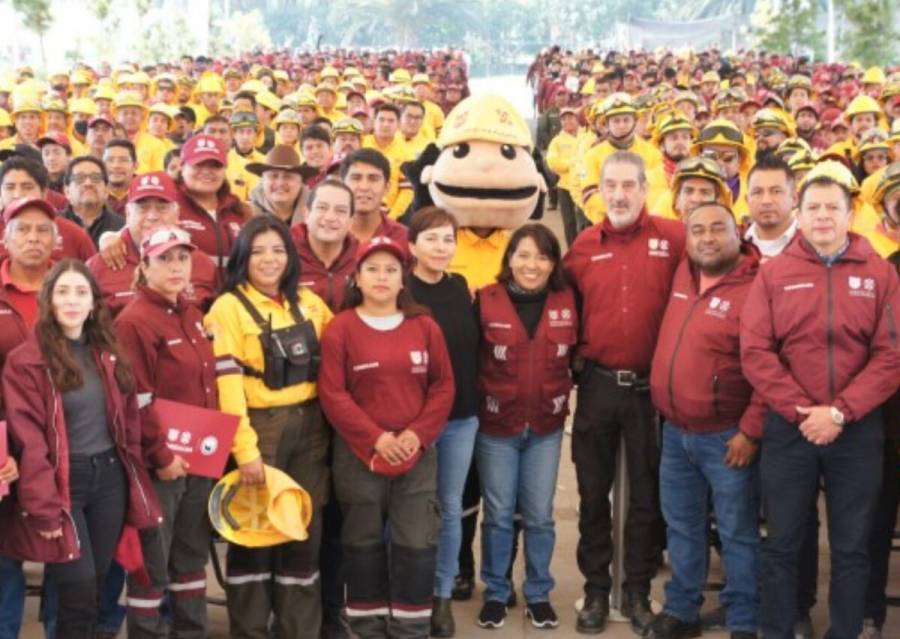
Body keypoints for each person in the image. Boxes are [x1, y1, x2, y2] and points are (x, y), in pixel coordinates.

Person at [740, 168, 900, 639]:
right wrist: (801, 411)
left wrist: (840, 412)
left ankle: (845, 631)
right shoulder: (774, 276)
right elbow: (755, 350)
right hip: (791, 430)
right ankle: (780, 627)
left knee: (852, 547)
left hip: (856, 430)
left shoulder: (879, 273)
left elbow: (891, 354)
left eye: (833, 207)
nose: (823, 216)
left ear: (851, 215)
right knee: (784, 543)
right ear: (799, 214)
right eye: (814, 207)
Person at [0, 259, 162, 639]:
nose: (72, 301)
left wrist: (134, 479)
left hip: (109, 480)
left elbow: (130, 423)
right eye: (62, 292)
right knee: (78, 586)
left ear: (94, 303)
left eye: (81, 292)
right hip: (64, 483)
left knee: (99, 582)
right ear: (48, 301)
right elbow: (31, 440)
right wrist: (42, 507)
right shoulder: (27, 361)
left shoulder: (108, 352)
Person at [563, 151, 684, 635]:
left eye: (628, 185)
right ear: (598, 189)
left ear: (644, 189)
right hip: (596, 386)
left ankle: (636, 589)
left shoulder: (672, 239)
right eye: (609, 184)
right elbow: (564, 303)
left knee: (645, 495)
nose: (618, 194)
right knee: (593, 494)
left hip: (649, 390)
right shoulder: (583, 246)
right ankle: (595, 589)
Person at [318, 235, 455, 639]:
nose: (382, 277)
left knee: (416, 542)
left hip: (417, 456)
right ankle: (366, 627)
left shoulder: (425, 326)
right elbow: (333, 393)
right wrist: (377, 438)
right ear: (357, 277)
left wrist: (416, 434)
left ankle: (410, 628)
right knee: (361, 543)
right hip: (358, 457)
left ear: (403, 278)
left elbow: (443, 387)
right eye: (372, 269)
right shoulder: (340, 329)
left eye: (391, 269)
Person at [205, 216, 333, 639]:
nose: (269, 259)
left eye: (278, 249)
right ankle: (250, 629)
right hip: (260, 431)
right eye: (258, 250)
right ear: (243, 257)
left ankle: (300, 630)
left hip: (311, 427)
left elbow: (341, 350)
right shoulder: (226, 309)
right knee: (254, 536)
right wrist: (246, 451)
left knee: (303, 531)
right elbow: (228, 388)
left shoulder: (310, 304)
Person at [647, 201, 762, 639]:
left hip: (728, 437)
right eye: (697, 230)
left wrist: (751, 430)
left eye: (719, 228)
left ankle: (744, 618)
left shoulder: (756, 287)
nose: (707, 237)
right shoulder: (683, 273)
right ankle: (682, 609)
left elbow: (772, 368)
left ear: (739, 234)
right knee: (682, 525)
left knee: (737, 531)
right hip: (676, 433)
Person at [114, 225, 218, 639]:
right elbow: (136, 399)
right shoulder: (135, 321)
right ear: (144, 265)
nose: (176, 266)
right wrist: (160, 456)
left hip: (199, 457)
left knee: (191, 557)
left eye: (182, 258)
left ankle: (192, 632)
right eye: (164, 259)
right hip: (161, 465)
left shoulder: (190, 314)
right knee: (152, 562)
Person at [473, 223, 577, 631]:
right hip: (497, 427)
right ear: (509, 258)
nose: (532, 265)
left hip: (546, 428)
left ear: (553, 263)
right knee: (498, 514)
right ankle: (496, 593)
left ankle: (538, 592)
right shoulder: (483, 299)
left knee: (539, 516)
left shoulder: (569, 300)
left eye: (542, 256)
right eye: (523, 255)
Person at [406, 207, 479, 637]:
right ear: (412, 245)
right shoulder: (400, 290)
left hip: (460, 418)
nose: (441, 247)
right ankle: (405, 590)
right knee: (408, 508)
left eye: (448, 239)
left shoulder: (460, 287)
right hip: (411, 422)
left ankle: (441, 595)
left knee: (450, 509)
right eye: (431, 238)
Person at [88, 172, 217, 317]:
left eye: (162, 207)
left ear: (177, 214)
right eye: (143, 207)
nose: (152, 216)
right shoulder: (99, 266)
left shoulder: (202, 264)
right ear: (128, 213)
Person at [174, 133, 250, 284]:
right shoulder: (167, 206)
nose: (207, 171)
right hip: (188, 303)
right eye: (199, 164)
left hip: (233, 302)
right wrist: (114, 238)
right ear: (182, 167)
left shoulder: (240, 211)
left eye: (215, 165)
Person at [0, 157, 96, 261]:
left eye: (27, 187)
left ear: (44, 193)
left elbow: (95, 272)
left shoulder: (74, 234)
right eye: (10, 187)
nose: (17, 195)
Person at [291, 179, 358, 311]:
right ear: (306, 214)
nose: (330, 217)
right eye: (322, 208)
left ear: (351, 221)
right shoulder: (285, 256)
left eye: (340, 211)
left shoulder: (362, 259)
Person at [339, 148, 408, 245]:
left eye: (373, 179)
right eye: (356, 178)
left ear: (386, 187)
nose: (364, 187)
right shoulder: (326, 233)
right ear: (342, 185)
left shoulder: (404, 238)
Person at [61, 157, 126, 248]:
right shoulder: (54, 225)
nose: (88, 183)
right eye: (80, 178)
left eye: (95, 178)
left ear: (106, 190)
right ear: (67, 191)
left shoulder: (122, 228)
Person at [744, 155, 798, 259]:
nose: (766, 201)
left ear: (794, 198)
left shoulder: (813, 244)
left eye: (776, 191)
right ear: (747, 200)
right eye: (757, 192)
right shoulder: (735, 245)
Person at [246, 144, 314, 225]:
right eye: (273, 176)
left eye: (288, 176)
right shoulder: (245, 216)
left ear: (300, 182)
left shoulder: (315, 215)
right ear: (263, 181)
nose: (280, 183)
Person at [546, 107, 583, 246]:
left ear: (577, 119)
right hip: (565, 186)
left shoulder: (586, 136)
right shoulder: (557, 141)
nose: (567, 121)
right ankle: (572, 251)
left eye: (570, 117)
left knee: (585, 221)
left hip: (584, 186)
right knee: (569, 222)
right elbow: (552, 161)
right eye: (564, 119)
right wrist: (572, 165)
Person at [103, 140, 138, 216]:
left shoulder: (144, 193)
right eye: (110, 160)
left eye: (123, 160)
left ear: (135, 165)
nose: (116, 165)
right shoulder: (95, 193)